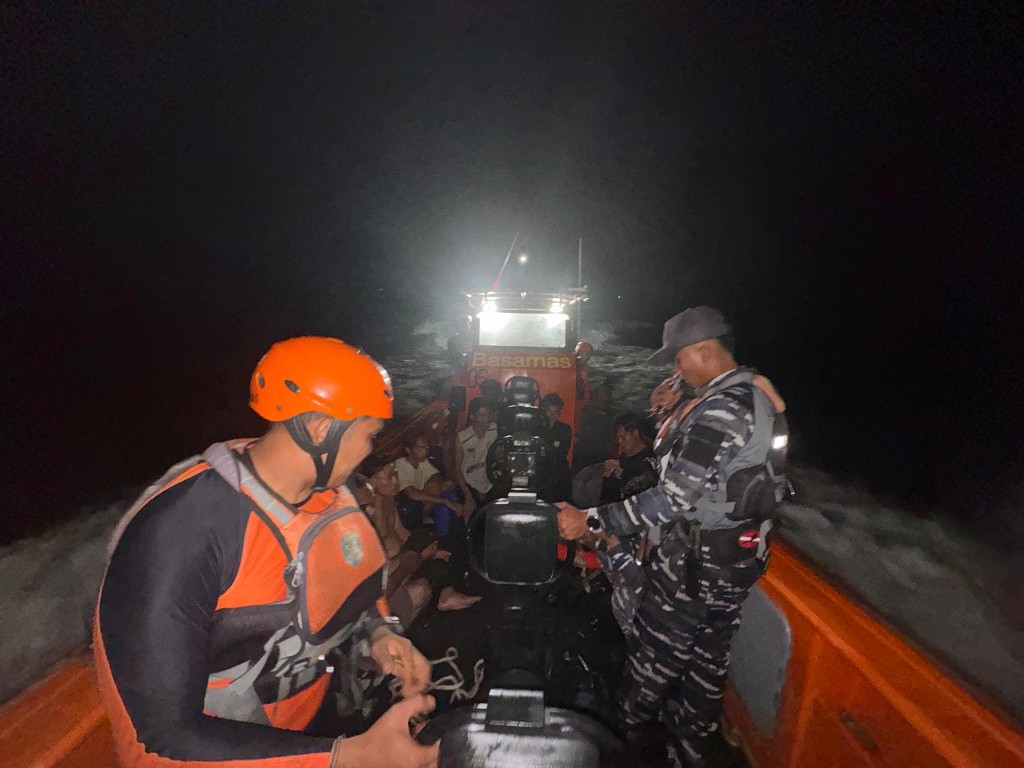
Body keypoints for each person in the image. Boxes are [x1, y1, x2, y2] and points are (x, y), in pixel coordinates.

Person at [94, 337, 438, 768]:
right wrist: (349, 757)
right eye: (369, 435)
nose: (371, 450)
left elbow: (354, 587)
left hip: (318, 723)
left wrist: (382, 634)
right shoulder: (183, 530)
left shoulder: (330, 493)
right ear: (320, 431)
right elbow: (158, 741)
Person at [556, 307, 789, 768]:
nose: (674, 368)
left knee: (649, 665)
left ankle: (616, 748)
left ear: (704, 350)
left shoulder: (722, 409)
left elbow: (672, 499)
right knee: (705, 673)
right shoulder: (753, 395)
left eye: (678, 358)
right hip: (734, 562)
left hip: (695, 570)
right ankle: (688, 753)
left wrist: (591, 522)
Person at [353, 455, 481, 621]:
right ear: (373, 482)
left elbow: (401, 530)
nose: (395, 481)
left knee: (436, 541)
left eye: (395, 474)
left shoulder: (389, 498)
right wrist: (419, 554)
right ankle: (444, 594)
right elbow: (380, 540)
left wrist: (425, 548)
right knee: (433, 564)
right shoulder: (367, 512)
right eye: (389, 477)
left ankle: (447, 591)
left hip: (405, 552)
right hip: (392, 564)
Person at [394, 431, 464, 535]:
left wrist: (432, 482)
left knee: (445, 484)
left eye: (426, 448)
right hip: (408, 507)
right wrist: (444, 501)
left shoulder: (422, 461)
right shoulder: (400, 465)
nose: (425, 452)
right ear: (408, 450)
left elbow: (435, 475)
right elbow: (412, 494)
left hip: (425, 502)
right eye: (420, 448)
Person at [454, 397, 498, 511]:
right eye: (482, 415)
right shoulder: (463, 438)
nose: (487, 418)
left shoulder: (495, 430)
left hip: (490, 483)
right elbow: (457, 469)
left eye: (488, 414)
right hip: (469, 484)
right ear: (473, 417)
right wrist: (467, 495)